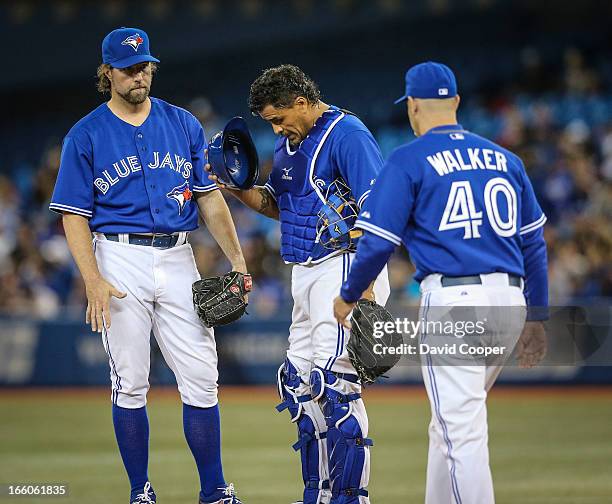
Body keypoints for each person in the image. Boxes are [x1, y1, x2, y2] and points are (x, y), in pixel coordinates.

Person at [334, 62, 548, 504]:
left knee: (460, 433)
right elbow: (535, 246)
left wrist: (349, 294)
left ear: (412, 107)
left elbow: (377, 244)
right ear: (456, 102)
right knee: (450, 424)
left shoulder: (409, 158)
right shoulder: (506, 158)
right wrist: (538, 317)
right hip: (510, 302)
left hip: (456, 301)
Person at [49, 27, 245, 504]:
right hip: (117, 258)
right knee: (131, 381)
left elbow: (209, 199)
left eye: (145, 67)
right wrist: (92, 279)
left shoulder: (182, 124)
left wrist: (237, 260)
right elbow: (73, 216)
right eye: (129, 68)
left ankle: (215, 491)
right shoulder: (86, 134)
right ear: (107, 73)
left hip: (179, 255)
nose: (139, 75)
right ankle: (141, 492)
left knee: (202, 376)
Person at [207, 64, 390, 504]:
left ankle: (351, 497)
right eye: (269, 120)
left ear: (303, 102)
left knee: (337, 387)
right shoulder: (290, 143)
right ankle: (320, 493)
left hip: (344, 265)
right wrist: (237, 188)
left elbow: (377, 210)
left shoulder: (347, 134)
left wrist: (362, 292)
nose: (274, 127)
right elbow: (281, 205)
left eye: (278, 117)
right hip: (305, 271)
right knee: (300, 386)